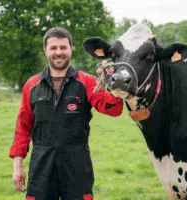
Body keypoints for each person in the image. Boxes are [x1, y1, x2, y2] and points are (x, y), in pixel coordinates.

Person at [9, 27, 123, 200]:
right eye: (53, 48)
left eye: (63, 47)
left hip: (77, 168)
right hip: (41, 168)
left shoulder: (88, 82)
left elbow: (114, 110)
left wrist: (113, 83)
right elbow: (22, 129)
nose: (58, 52)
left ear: (71, 48)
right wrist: (17, 168)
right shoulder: (32, 85)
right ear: (45, 50)